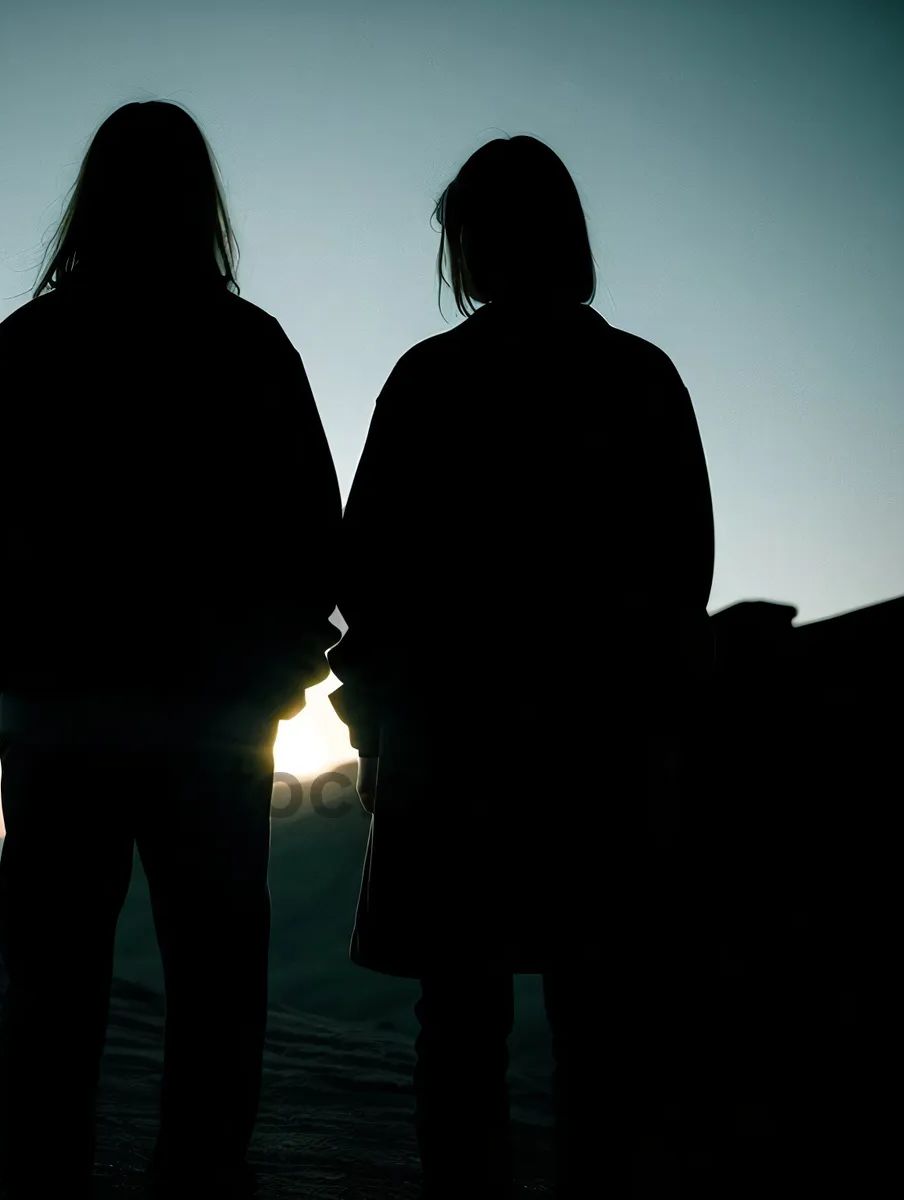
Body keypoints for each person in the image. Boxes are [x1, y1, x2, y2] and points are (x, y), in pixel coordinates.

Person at [0, 100, 342, 1198]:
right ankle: (200, 1183)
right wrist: (272, 658)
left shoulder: (33, 343)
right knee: (217, 973)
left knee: (53, 974)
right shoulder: (247, 346)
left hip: (60, 716)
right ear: (200, 201)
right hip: (214, 722)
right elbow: (317, 538)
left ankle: (43, 1178)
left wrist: (17, 641)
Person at [328, 134, 715, 1197]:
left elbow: (362, 569)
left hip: (452, 755)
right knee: (600, 1031)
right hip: (605, 752)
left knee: (459, 1029)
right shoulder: (640, 378)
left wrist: (393, 702)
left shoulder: (430, 381)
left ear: (471, 245)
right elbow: (686, 577)